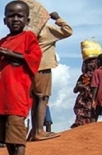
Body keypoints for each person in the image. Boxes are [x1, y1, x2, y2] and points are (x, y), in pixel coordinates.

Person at [0, 0, 42, 155]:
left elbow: (35, 57)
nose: (15, 19)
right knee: (2, 124)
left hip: (18, 89)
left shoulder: (28, 37)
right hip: (1, 92)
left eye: (20, 16)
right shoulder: (2, 41)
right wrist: (0, 57)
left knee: (15, 122)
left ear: (27, 20)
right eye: (11, 16)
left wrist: (15, 55)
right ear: (5, 20)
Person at [28, 11, 72, 141]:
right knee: (43, 99)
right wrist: (58, 18)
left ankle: (35, 130)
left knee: (35, 100)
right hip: (43, 66)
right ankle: (39, 131)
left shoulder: (28, 32)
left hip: (30, 68)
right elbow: (68, 31)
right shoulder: (47, 30)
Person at [71, 56, 99, 128]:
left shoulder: (95, 76)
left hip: (88, 102)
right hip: (85, 102)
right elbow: (75, 90)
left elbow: (75, 90)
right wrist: (79, 86)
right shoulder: (85, 76)